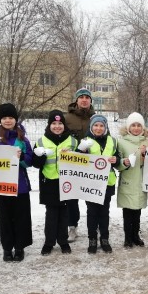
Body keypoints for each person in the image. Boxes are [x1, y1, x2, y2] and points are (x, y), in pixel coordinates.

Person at [0, 103, 33, 262]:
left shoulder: (22, 138)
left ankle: (20, 247)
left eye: (11, 118)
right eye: (4, 118)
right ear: (0, 120)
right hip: (1, 185)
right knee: (5, 217)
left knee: (21, 217)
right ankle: (7, 248)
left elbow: (29, 161)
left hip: (20, 185)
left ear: (15, 119)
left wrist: (22, 157)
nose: (8, 121)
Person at [32, 110, 77, 256]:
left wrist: (72, 156)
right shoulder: (40, 142)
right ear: (49, 125)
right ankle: (49, 242)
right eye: (54, 123)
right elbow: (36, 164)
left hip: (66, 182)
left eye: (60, 123)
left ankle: (63, 242)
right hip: (49, 182)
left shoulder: (72, 141)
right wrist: (42, 155)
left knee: (64, 213)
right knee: (51, 214)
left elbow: (81, 161)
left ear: (64, 125)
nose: (57, 126)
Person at [77, 114, 119, 254]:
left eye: (101, 125)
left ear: (105, 127)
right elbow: (77, 161)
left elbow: (117, 157)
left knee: (104, 213)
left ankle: (104, 238)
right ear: (91, 127)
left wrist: (116, 159)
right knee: (92, 212)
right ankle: (92, 239)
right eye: (96, 125)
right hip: (90, 183)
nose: (98, 128)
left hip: (107, 183)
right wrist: (80, 150)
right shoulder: (85, 141)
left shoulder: (112, 141)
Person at [64, 88, 96, 242]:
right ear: (76, 100)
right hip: (73, 164)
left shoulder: (96, 118)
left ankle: (94, 225)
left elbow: (105, 137)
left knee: (92, 196)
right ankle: (72, 227)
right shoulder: (67, 118)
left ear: (90, 100)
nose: (84, 100)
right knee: (72, 198)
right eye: (81, 97)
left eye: (87, 97)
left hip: (92, 164)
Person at [116, 112, 148, 248]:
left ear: (143, 128)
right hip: (127, 181)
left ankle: (136, 235)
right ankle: (127, 237)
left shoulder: (147, 142)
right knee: (127, 212)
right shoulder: (121, 142)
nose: (136, 128)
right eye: (133, 125)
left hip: (141, 182)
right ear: (128, 127)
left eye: (139, 125)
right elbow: (117, 163)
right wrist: (124, 162)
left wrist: (146, 155)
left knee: (137, 212)